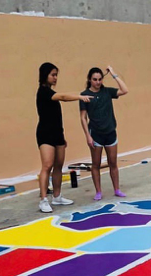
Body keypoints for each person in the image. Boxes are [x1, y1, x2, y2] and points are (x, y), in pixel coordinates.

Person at [36, 62, 92, 213]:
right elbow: (63, 97)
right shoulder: (43, 92)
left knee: (59, 166)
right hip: (45, 134)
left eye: (56, 75)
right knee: (47, 165)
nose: (55, 78)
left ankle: (57, 196)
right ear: (44, 75)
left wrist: (62, 136)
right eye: (52, 75)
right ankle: (43, 199)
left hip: (57, 134)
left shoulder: (50, 93)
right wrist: (80, 96)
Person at [80, 66, 129, 201]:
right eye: (95, 79)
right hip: (95, 134)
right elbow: (83, 117)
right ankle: (98, 191)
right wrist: (87, 136)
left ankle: (117, 189)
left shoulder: (107, 92)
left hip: (110, 133)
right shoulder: (84, 95)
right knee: (95, 164)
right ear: (90, 80)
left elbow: (125, 90)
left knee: (113, 162)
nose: (98, 82)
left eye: (100, 79)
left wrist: (113, 74)